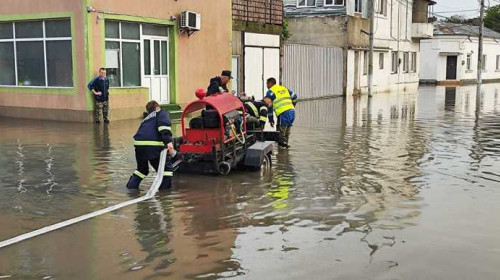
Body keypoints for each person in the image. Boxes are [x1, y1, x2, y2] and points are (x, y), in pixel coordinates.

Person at [126, 101, 174, 190]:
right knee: (166, 170)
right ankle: (164, 194)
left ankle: (131, 189)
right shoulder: (161, 113)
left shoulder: (147, 118)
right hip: (154, 145)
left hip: (139, 145)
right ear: (157, 108)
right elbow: (163, 127)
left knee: (142, 170)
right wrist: (169, 143)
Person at [264, 78, 298, 148]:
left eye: (267, 84)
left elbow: (269, 106)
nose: (266, 86)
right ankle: (286, 153)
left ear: (270, 83)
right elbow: (295, 97)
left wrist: (271, 119)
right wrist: (292, 106)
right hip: (292, 112)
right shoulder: (284, 89)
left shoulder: (270, 92)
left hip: (283, 114)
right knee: (287, 133)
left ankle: (281, 154)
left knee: (281, 135)